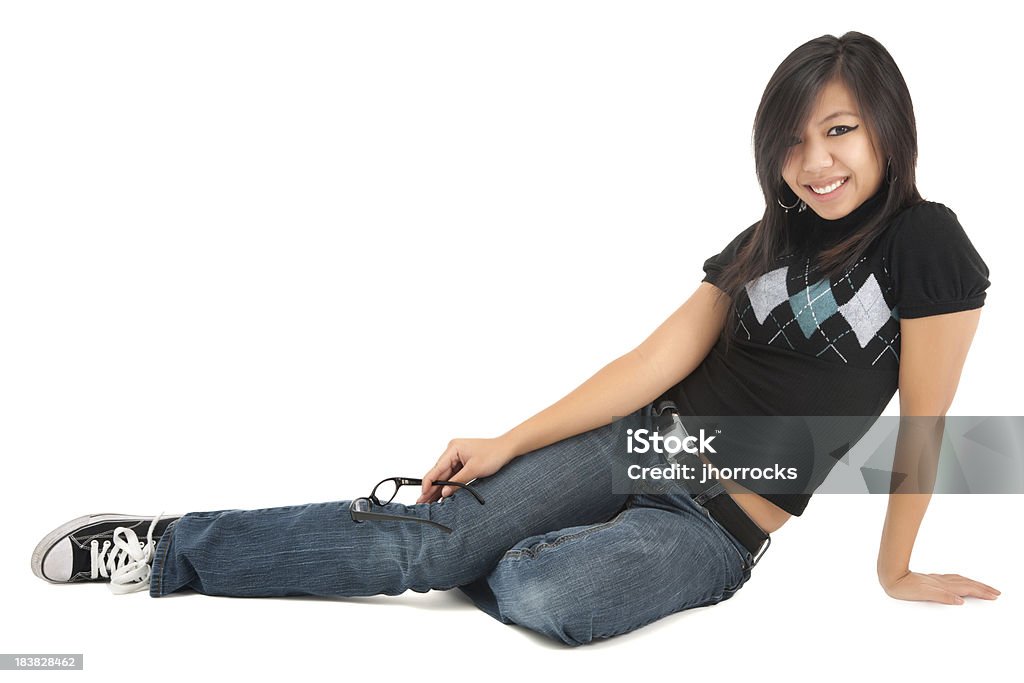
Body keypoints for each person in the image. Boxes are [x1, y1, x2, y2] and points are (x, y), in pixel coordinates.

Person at [30, 31, 1001, 646]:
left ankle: (470, 543)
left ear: (884, 129)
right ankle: (166, 548)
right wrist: (510, 441)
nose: (814, 161)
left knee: (548, 597)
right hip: (643, 437)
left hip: (719, 520)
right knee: (424, 539)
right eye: (792, 141)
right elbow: (649, 363)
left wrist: (892, 569)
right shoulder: (764, 239)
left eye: (837, 131)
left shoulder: (926, 244)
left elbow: (926, 422)